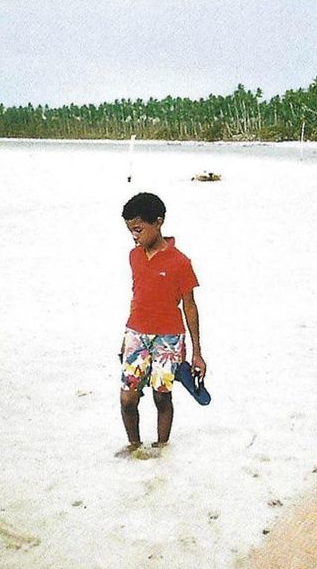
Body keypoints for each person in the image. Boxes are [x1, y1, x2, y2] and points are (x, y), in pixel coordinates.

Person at [119, 192, 206, 451]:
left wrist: (198, 354)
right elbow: (137, 297)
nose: (134, 236)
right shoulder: (134, 256)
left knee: (161, 395)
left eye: (138, 229)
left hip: (169, 338)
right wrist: (125, 340)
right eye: (130, 231)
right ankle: (134, 449)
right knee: (127, 399)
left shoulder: (180, 262)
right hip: (137, 334)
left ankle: (161, 451)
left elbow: (190, 307)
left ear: (158, 222)